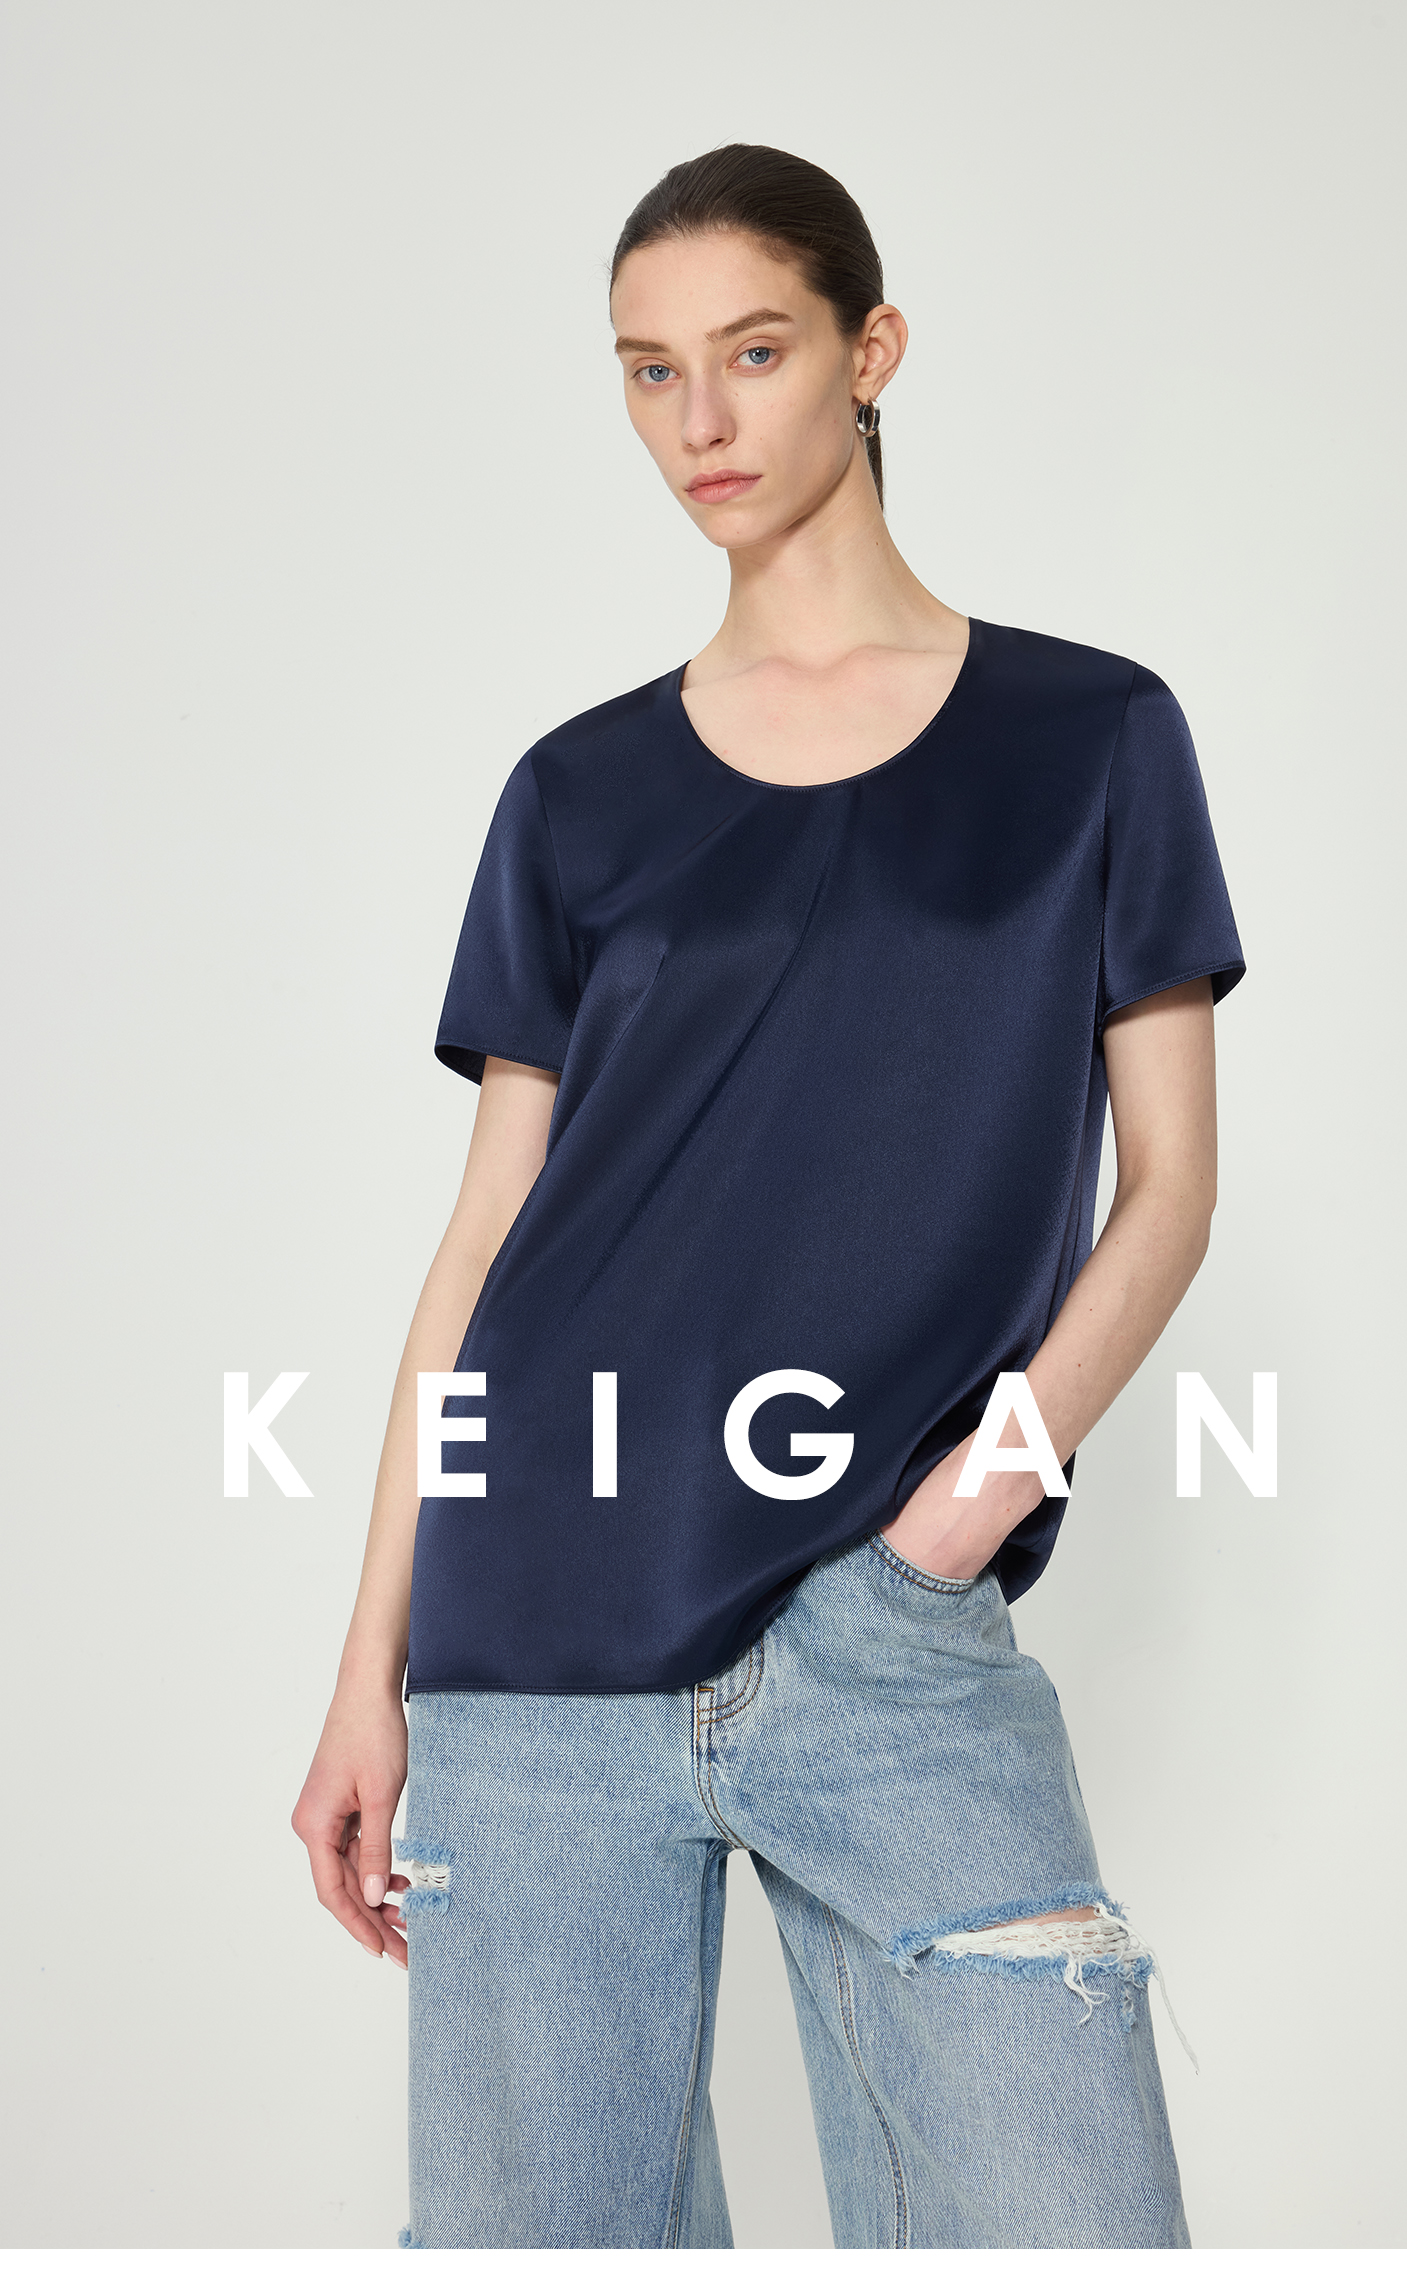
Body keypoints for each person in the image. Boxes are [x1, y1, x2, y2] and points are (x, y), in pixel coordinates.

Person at [292, 142, 1244, 2250]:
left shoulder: (1092, 738)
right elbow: (482, 1245)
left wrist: (951, 1526)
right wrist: (370, 1664)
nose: (697, 422)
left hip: (889, 1630)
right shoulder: (577, 792)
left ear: (870, 350)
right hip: (535, 1635)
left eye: (751, 353)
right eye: (648, 371)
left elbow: (1170, 1188)